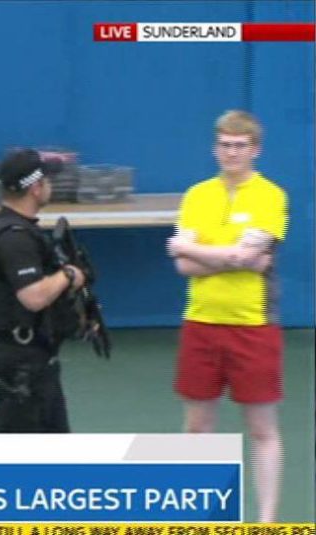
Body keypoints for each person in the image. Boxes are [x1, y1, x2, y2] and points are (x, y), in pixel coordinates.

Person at [166, 110, 287, 522]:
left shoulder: (271, 196)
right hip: (201, 321)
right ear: (214, 148)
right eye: (224, 145)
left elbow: (241, 254)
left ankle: (265, 521)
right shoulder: (197, 195)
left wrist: (193, 250)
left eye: (240, 146)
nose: (231, 152)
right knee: (198, 427)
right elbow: (187, 267)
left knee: (261, 430)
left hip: (254, 325)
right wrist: (236, 259)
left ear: (256, 150)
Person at [0, 148, 86, 432]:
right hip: (22, 363)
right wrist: (69, 275)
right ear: (35, 188)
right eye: (47, 181)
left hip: (29, 358)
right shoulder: (15, 239)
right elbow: (33, 296)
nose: (50, 186)